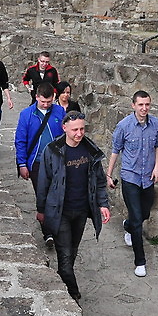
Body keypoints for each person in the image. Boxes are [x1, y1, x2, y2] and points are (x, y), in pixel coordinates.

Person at [35, 111, 111, 302]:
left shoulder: (90, 150)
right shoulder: (52, 150)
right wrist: (41, 210)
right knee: (65, 256)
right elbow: (43, 182)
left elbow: (99, 180)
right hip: (60, 211)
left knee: (72, 252)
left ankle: (63, 285)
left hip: (81, 211)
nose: (79, 133)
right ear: (64, 128)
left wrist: (103, 204)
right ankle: (73, 293)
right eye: (75, 129)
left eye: (82, 129)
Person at [105, 90, 158, 277]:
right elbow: (115, 150)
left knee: (144, 214)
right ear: (133, 105)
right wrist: (108, 175)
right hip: (130, 177)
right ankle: (140, 262)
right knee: (138, 220)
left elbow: (157, 145)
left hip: (148, 177)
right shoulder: (124, 126)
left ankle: (127, 225)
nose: (144, 108)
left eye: (147, 104)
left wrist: (157, 167)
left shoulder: (156, 124)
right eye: (141, 105)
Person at [14, 82, 65, 247]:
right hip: (36, 162)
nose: (46, 105)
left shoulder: (59, 112)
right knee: (42, 195)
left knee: (57, 194)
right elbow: (20, 141)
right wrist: (22, 164)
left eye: (49, 102)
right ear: (36, 97)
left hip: (57, 161)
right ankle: (48, 232)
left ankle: (56, 227)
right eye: (43, 101)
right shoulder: (26, 115)